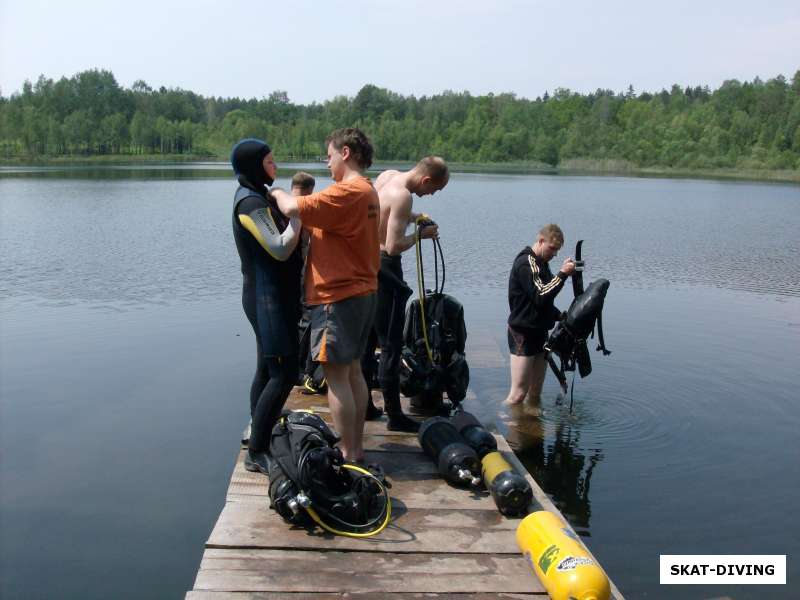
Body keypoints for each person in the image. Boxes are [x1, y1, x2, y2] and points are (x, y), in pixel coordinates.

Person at [272, 128, 379, 462]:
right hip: (361, 292)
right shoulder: (368, 191)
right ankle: (355, 448)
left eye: (329, 155)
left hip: (337, 295)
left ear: (345, 153)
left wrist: (274, 192)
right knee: (352, 372)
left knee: (336, 377)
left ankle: (349, 452)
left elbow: (292, 206)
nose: (327, 162)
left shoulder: (348, 192)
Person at [230, 138, 303, 474]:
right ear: (254, 166)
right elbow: (279, 249)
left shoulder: (257, 194)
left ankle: (257, 430)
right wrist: (298, 217)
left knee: (266, 368)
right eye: (270, 161)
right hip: (266, 299)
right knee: (285, 371)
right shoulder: (249, 204)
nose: (275, 166)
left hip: (270, 296)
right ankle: (257, 451)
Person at [364, 157, 449, 432]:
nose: (431, 195)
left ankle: (365, 404)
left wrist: (415, 219)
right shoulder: (404, 197)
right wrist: (420, 236)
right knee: (390, 344)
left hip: (365, 264)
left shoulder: (388, 177)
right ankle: (394, 415)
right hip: (386, 269)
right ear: (425, 180)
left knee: (368, 340)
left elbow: (384, 214)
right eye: (434, 190)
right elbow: (392, 245)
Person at [505, 224, 575, 406]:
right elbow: (541, 295)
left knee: (535, 391)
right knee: (518, 394)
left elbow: (543, 305)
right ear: (541, 240)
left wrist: (561, 317)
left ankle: (531, 428)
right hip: (522, 333)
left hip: (539, 332)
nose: (554, 254)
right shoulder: (526, 262)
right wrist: (562, 274)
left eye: (557, 250)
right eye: (552, 248)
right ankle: (500, 423)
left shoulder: (542, 264)